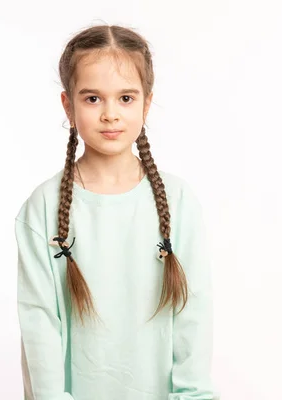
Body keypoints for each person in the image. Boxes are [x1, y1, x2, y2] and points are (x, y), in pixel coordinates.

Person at [14, 23, 217, 400]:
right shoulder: (42, 206)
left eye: (125, 98)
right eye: (93, 98)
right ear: (68, 105)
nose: (110, 114)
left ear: (146, 103)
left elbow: (193, 314)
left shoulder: (179, 201)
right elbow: (39, 322)